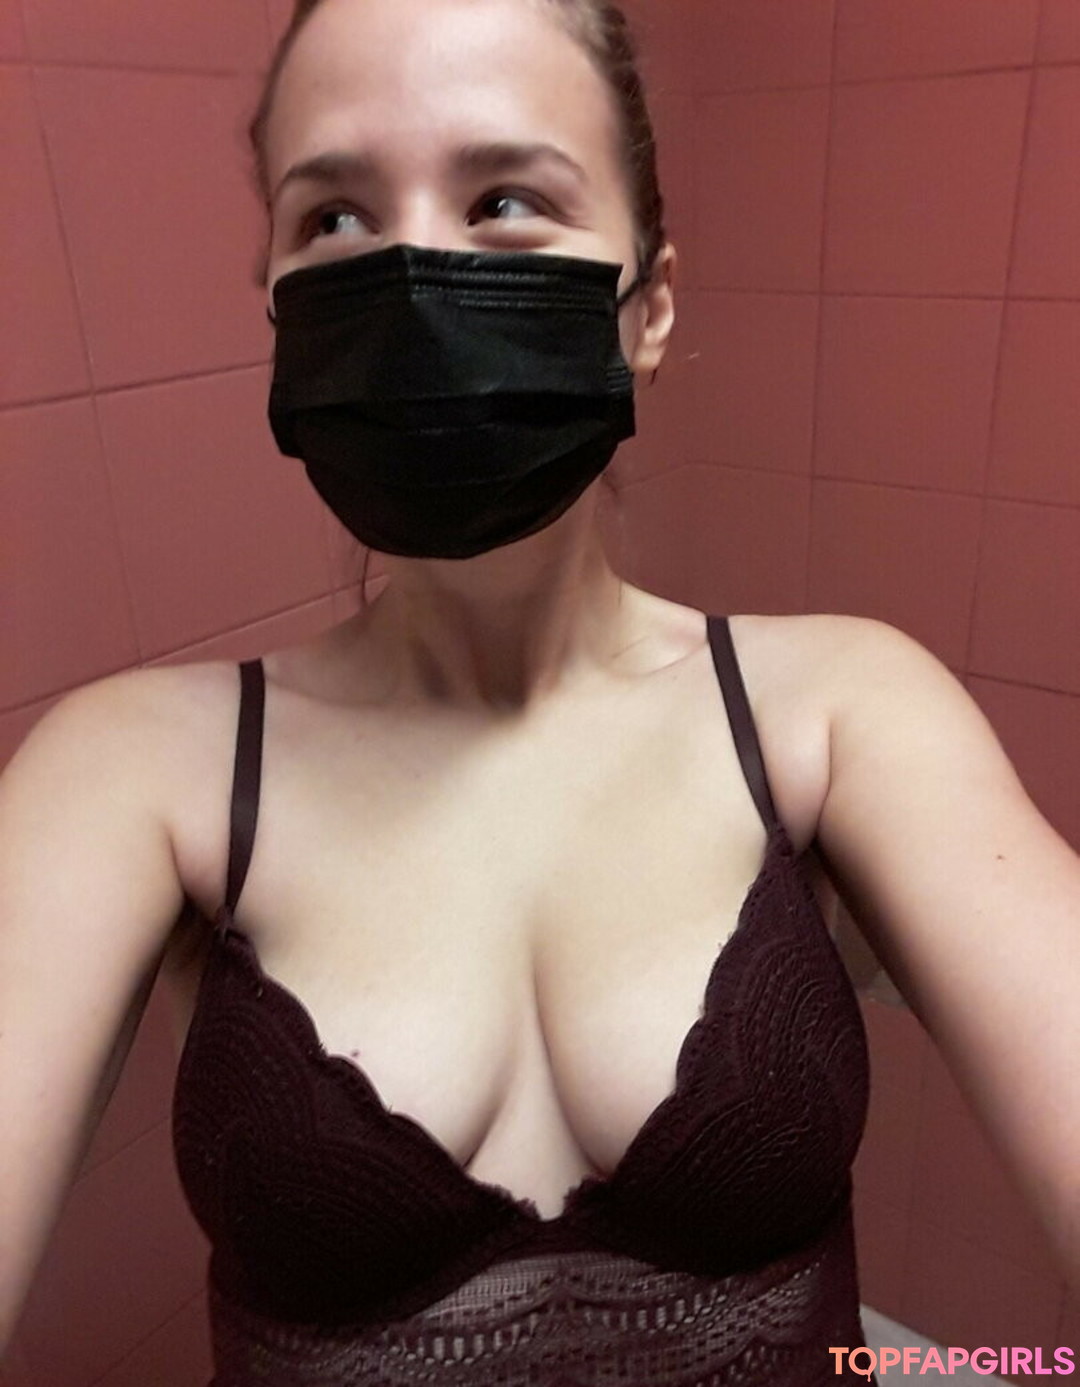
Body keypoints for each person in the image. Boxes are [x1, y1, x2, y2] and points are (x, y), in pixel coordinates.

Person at [1, 0, 1078, 1382]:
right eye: (335, 218)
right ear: (276, 308)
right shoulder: (132, 773)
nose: (413, 276)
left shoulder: (841, 710)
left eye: (505, 200)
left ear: (651, 307)